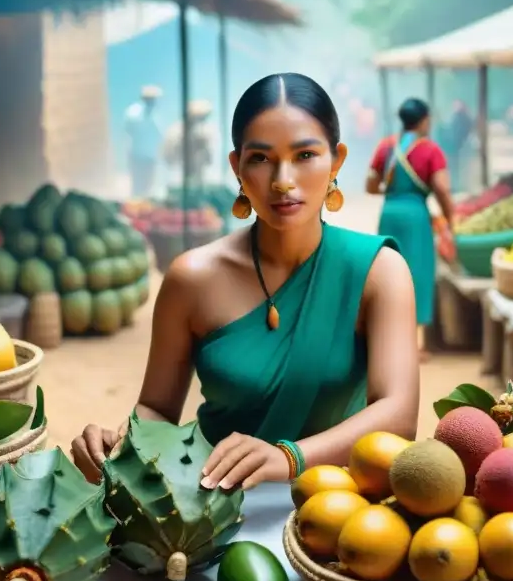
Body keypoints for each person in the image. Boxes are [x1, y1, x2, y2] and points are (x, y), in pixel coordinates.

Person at [71, 73, 420, 490]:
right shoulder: (192, 279)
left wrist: (288, 457)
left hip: (337, 518)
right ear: (237, 167)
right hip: (210, 509)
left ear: (336, 161)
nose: (283, 180)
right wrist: (120, 445)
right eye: (261, 158)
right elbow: (156, 409)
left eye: (305, 155)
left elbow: (398, 415)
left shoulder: (378, 272)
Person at [366, 98, 455, 361]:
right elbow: (442, 188)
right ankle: (415, 344)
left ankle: (386, 339)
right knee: (417, 274)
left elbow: (370, 185)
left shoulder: (386, 146)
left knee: (387, 272)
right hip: (416, 215)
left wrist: (392, 191)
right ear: (424, 120)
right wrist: (449, 217)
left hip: (389, 212)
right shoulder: (430, 150)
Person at [161, 99, 219, 189]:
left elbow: (209, 159)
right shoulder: (176, 131)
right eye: (199, 117)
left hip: (199, 178)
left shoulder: (207, 131)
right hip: (178, 178)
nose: (201, 120)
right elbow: (169, 156)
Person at [123, 85, 164, 198]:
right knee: (140, 185)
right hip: (139, 154)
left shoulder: (152, 114)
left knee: (147, 186)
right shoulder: (134, 112)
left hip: (148, 155)